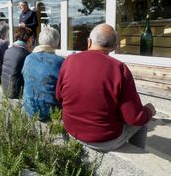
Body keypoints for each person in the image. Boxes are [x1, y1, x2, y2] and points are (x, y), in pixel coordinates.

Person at [56, 23, 156, 152]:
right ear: (114, 47)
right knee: (142, 122)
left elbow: (59, 97)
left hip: (71, 130)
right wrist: (149, 111)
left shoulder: (69, 61)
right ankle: (137, 155)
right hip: (103, 139)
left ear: (89, 42)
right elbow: (134, 118)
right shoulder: (119, 68)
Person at [22, 27, 64, 122]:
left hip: (30, 109)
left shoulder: (28, 58)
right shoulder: (59, 61)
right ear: (56, 42)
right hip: (51, 112)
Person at [1, 26, 33, 98]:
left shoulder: (8, 51)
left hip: (5, 89)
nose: (32, 41)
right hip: (16, 92)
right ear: (28, 39)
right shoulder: (26, 55)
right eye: (32, 38)